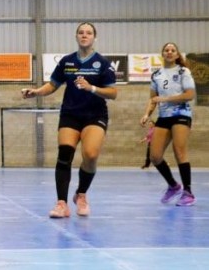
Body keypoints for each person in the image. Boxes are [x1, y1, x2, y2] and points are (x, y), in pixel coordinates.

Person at [21, 22, 117, 218]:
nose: (84, 35)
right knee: (64, 154)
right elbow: (53, 85)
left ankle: (81, 194)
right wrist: (36, 92)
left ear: (94, 37)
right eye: (81, 32)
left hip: (95, 115)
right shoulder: (67, 61)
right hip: (70, 114)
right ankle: (61, 204)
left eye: (88, 33)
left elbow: (113, 93)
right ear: (76, 36)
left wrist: (91, 88)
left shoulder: (103, 63)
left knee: (90, 155)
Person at [139, 42, 197, 207]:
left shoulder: (183, 71)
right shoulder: (156, 74)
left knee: (179, 151)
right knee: (155, 157)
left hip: (181, 114)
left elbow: (189, 95)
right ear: (162, 54)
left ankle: (188, 192)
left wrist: (165, 99)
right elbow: (153, 99)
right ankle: (173, 186)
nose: (170, 52)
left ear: (177, 55)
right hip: (164, 117)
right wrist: (146, 114)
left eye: (173, 50)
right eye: (166, 50)